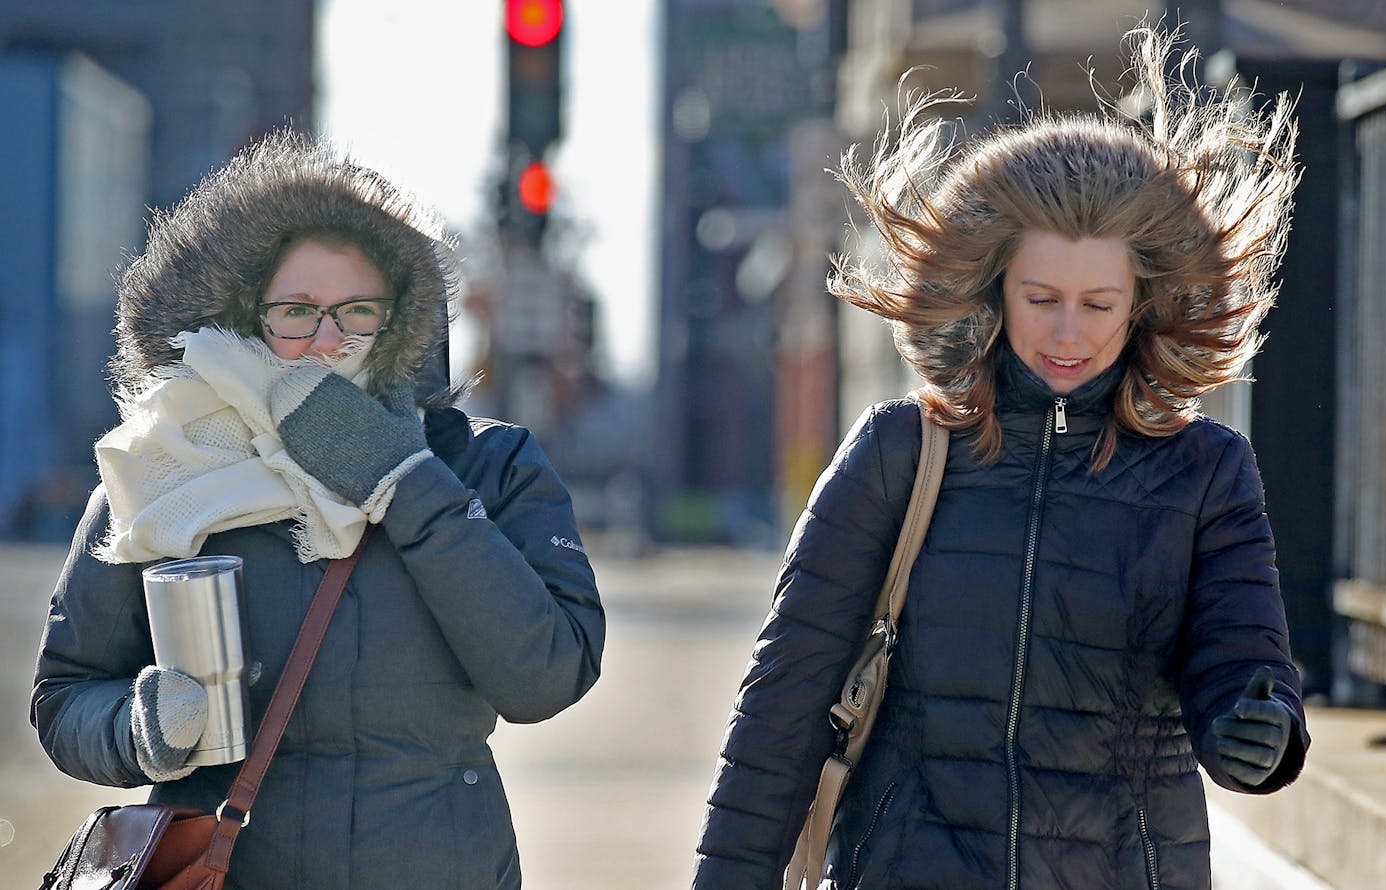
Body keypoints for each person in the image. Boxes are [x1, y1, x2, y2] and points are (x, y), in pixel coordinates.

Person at [693, 24, 1308, 890]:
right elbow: (783, 704)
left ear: (1141, 306)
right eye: (1041, 298)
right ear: (992, 292)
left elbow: (1242, 660)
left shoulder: (1205, 471)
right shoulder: (898, 454)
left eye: (1098, 304)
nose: (1068, 333)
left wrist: (1262, 729)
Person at [31, 130, 605, 889]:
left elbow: (548, 675)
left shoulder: (485, 466)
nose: (327, 342)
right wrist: (140, 730)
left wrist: (408, 482)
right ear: (242, 311)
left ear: (401, 321)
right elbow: (65, 695)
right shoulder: (163, 469)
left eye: (358, 312)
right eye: (296, 312)